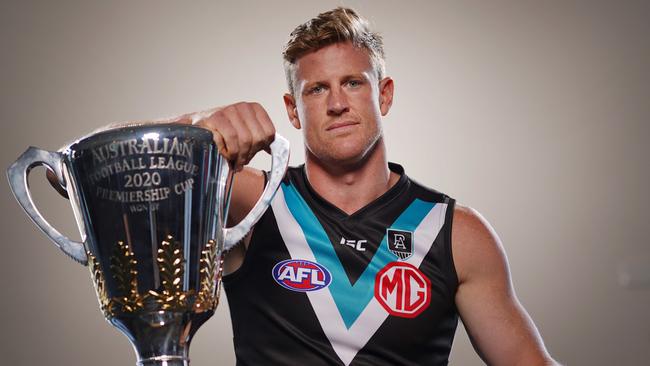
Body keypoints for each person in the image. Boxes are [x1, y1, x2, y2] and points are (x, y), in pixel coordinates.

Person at [172, 7, 559, 366]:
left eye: (353, 82)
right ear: (293, 109)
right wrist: (199, 126)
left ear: (384, 94)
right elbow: (119, 171)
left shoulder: (457, 234)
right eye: (317, 89)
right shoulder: (254, 201)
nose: (337, 103)